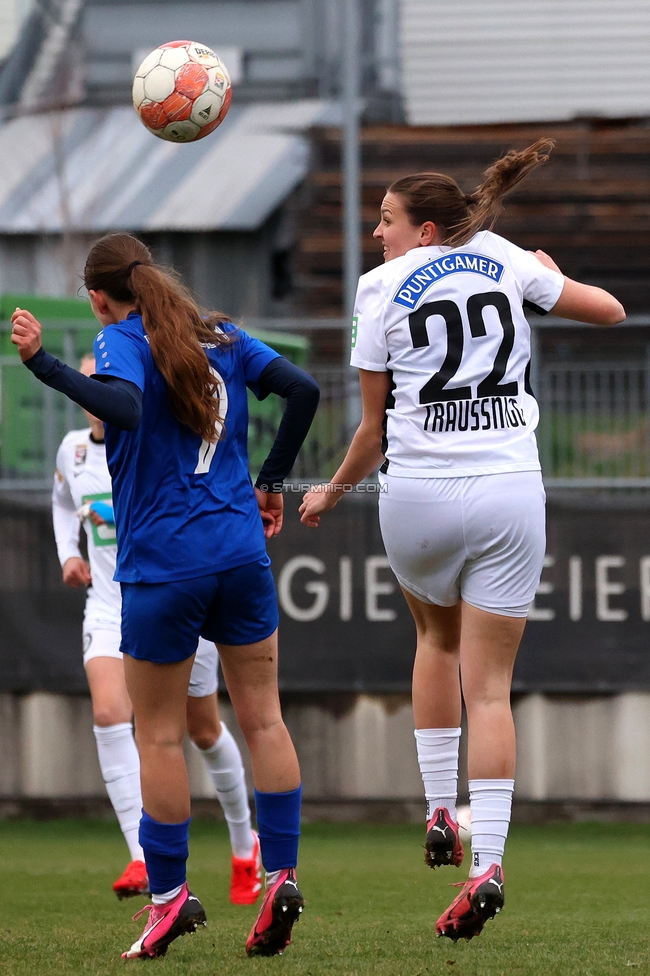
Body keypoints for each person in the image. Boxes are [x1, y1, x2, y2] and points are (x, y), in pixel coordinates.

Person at [299, 140, 624, 942]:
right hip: (510, 490)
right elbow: (611, 311)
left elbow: (373, 432)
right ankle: (490, 861)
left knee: (435, 640)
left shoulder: (378, 290)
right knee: (492, 689)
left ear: (427, 229)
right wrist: (545, 270)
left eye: (386, 220)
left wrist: (329, 493)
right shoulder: (505, 258)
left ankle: (440, 808)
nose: (377, 234)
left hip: (419, 498)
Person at [12, 233, 319, 960]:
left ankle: (170, 896)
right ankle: (279, 875)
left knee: (156, 736)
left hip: (162, 566)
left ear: (97, 294)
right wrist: (271, 479)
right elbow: (302, 390)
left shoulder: (121, 339)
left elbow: (119, 408)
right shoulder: (223, 334)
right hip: (240, 554)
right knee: (265, 723)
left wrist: (43, 365)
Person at [53, 354, 263, 906]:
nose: (98, 393)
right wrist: (66, 553)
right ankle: (142, 856)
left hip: (173, 598)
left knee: (203, 729)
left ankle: (246, 846)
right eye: (90, 383)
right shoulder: (72, 451)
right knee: (109, 713)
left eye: (110, 381)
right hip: (108, 605)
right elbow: (61, 500)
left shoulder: (155, 438)